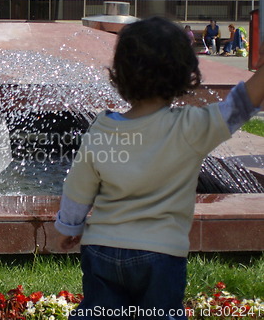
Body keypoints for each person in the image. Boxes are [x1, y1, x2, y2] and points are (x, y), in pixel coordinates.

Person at [55, 17, 263, 320]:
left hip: (102, 249)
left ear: (120, 75)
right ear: (184, 73)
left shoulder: (101, 129)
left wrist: (69, 227)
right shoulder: (190, 128)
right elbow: (240, 106)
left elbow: (78, 187)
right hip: (161, 253)